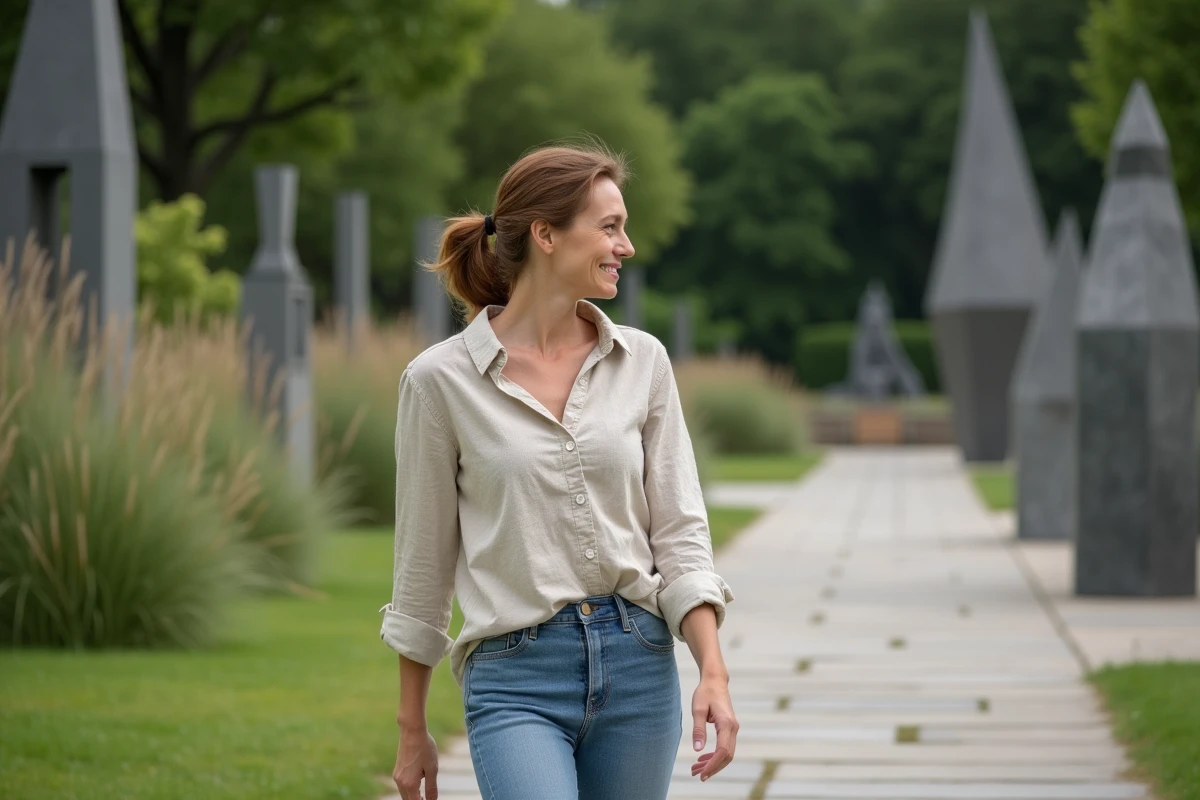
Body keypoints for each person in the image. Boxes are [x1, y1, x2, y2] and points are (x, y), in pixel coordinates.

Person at [379, 142, 738, 800]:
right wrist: (412, 729)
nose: (625, 245)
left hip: (639, 664)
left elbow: (681, 534)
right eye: (609, 227)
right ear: (545, 235)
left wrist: (711, 670)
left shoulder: (644, 363)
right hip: (515, 677)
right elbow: (422, 570)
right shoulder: (439, 382)